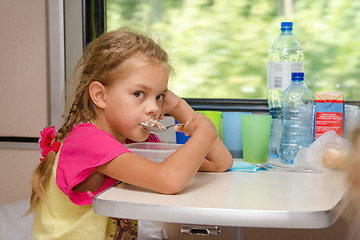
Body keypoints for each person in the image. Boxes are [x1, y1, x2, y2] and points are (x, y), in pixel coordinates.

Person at [27, 29, 233, 240]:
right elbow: (169, 180)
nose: (153, 107)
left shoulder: (135, 141)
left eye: (159, 96)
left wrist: (179, 106)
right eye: (138, 94)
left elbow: (220, 163)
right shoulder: (88, 141)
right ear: (100, 95)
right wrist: (205, 132)